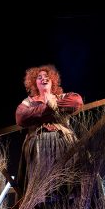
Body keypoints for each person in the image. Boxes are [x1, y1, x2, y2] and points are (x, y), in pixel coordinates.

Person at [15, 64, 83, 193]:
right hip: (38, 145)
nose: (43, 78)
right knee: (40, 187)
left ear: (52, 80)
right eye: (39, 77)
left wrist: (53, 104)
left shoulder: (61, 97)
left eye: (47, 76)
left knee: (66, 184)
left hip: (62, 142)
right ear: (34, 83)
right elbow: (21, 117)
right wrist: (49, 108)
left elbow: (77, 101)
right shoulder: (29, 101)